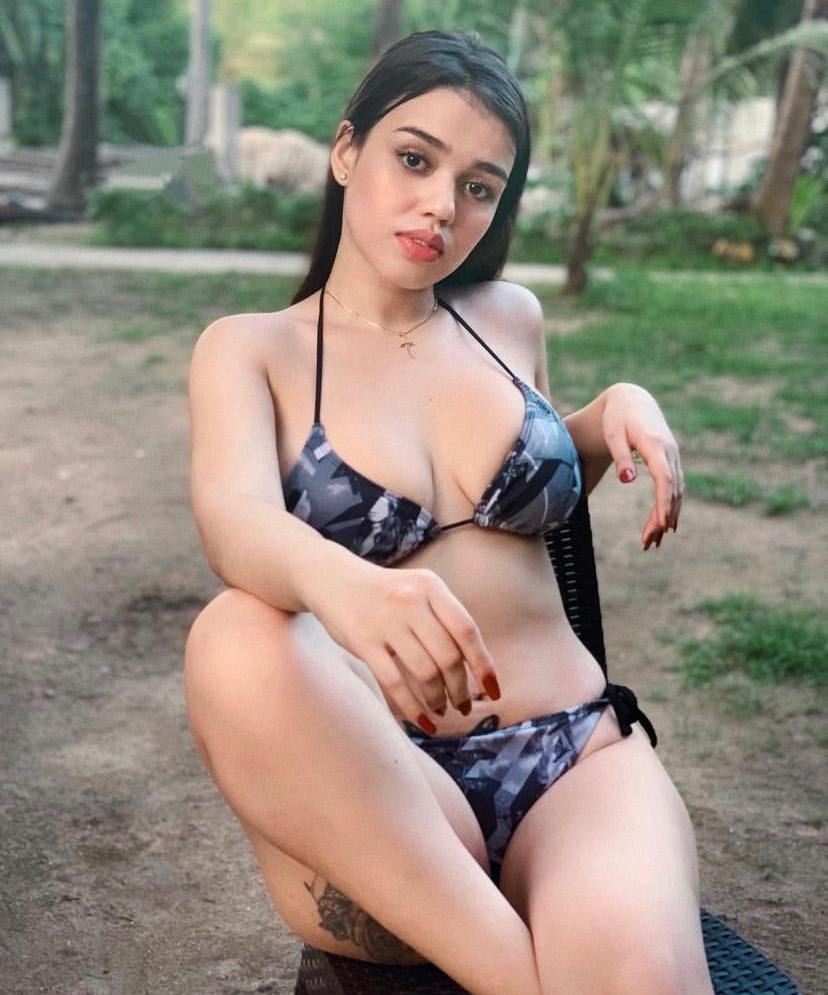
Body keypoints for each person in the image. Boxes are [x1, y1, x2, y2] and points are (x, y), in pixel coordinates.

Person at [184, 30, 713, 995]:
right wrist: (347, 587)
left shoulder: (508, 317)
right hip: (387, 791)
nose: (441, 206)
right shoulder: (251, 350)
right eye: (415, 159)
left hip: (572, 759)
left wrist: (609, 414)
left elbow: (529, 509)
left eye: (479, 186)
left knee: (639, 973)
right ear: (347, 152)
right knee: (235, 637)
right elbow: (232, 518)